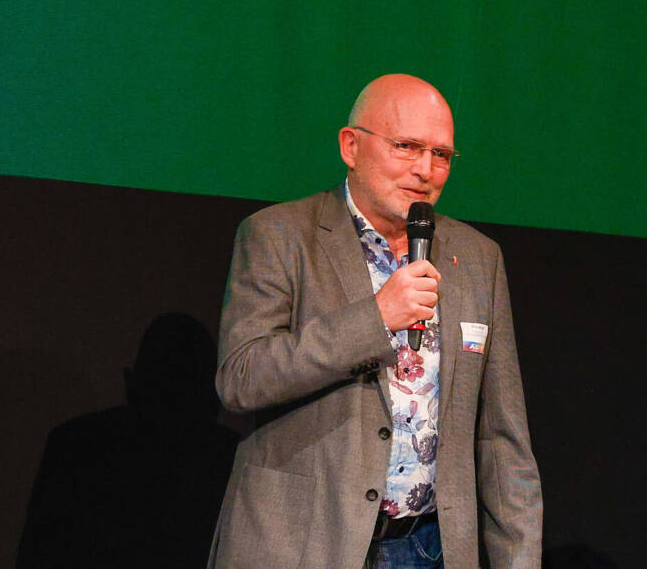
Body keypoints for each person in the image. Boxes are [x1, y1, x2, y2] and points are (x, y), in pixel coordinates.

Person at [208, 74, 542, 568]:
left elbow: (502, 441)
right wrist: (376, 318)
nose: (426, 170)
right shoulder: (279, 236)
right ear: (351, 146)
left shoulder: (477, 259)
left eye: (442, 154)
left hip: (426, 548)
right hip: (302, 545)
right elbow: (242, 379)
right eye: (406, 146)